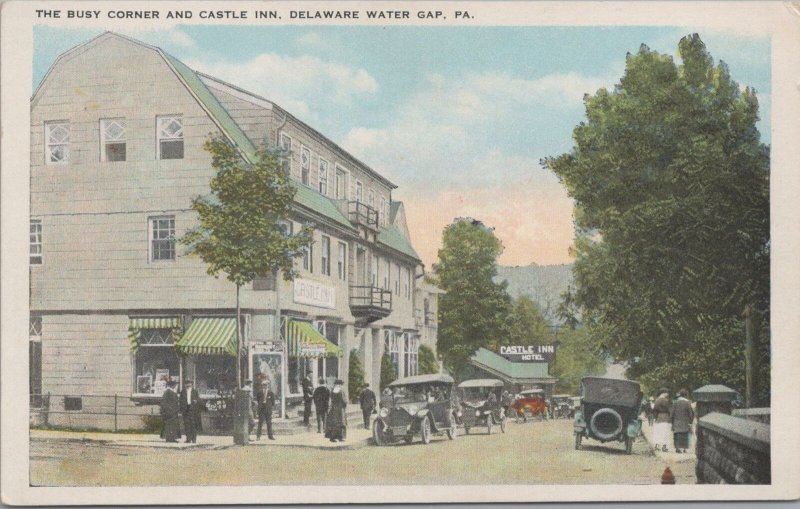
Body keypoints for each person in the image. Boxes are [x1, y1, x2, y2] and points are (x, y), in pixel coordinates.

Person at [671, 389, 695, 453]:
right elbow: (691, 413)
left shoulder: (675, 402)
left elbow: (672, 413)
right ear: (686, 395)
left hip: (676, 421)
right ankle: (684, 448)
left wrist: (672, 421)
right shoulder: (687, 403)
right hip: (685, 422)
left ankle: (677, 448)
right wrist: (690, 422)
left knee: (677, 434)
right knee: (684, 434)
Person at [179, 379, 202, 443]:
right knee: (187, 425)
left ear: (191, 384)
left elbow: (198, 400)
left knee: (193, 425)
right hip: (186, 410)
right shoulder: (183, 392)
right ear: (185, 385)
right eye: (186, 383)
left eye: (189, 383)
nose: (188, 385)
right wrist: (182, 410)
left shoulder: (195, 391)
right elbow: (181, 401)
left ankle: (194, 439)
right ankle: (188, 439)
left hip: (193, 410)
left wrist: (196, 401)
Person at [653, 388, 673, 452]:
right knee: (665, 433)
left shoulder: (657, 400)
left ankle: (657, 446)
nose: (668, 394)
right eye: (667, 392)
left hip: (659, 418)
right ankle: (664, 447)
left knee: (658, 433)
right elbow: (669, 410)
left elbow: (654, 410)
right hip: (665, 417)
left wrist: (656, 417)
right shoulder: (665, 401)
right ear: (664, 393)